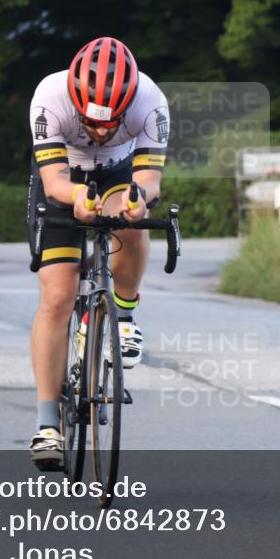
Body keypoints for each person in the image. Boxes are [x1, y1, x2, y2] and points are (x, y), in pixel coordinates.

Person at [26, 37, 169, 466]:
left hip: (117, 172)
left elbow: (150, 183)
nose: (102, 131)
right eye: (91, 122)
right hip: (62, 176)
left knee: (134, 222)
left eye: (112, 122)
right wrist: (77, 199)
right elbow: (54, 184)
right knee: (58, 294)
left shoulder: (151, 102)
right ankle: (48, 424)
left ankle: (121, 315)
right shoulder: (49, 97)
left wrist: (136, 200)